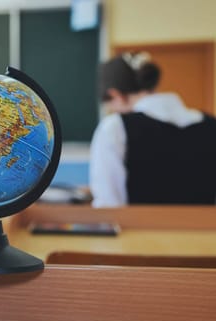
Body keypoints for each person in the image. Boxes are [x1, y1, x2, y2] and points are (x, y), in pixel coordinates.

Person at [90, 52, 216, 207]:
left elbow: (108, 205)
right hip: (206, 231)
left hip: (140, 231)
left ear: (115, 95)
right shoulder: (211, 124)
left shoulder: (114, 128)